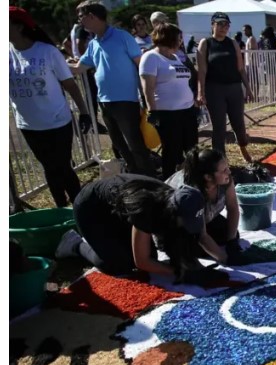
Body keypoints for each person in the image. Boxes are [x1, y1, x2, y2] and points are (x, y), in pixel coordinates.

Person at [56, 174, 233, 283]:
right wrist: (181, 273)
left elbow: (199, 236)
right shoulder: (147, 208)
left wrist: (225, 259)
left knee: (165, 250)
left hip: (122, 209)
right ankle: (75, 244)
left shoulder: (184, 201)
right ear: (172, 214)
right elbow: (142, 262)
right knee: (121, 264)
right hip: (93, 210)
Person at [10, 6, 92, 208]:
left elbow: (70, 85)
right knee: (49, 168)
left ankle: (81, 209)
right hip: (28, 124)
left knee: (63, 168)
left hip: (56, 122)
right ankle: (61, 210)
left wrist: (84, 112)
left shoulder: (47, 52)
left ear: (19, 27)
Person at [70, 1, 155, 176]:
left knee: (135, 142)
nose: (79, 21)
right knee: (118, 143)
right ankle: (135, 174)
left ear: (92, 16)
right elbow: (79, 68)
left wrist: (146, 96)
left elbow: (141, 65)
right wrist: (55, 64)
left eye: (81, 17)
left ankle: (148, 177)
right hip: (104, 101)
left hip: (126, 100)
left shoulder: (123, 37)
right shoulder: (93, 43)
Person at [140, 23, 198, 178]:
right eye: (179, 38)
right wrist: (152, 110)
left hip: (187, 110)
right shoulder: (151, 57)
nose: (181, 42)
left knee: (192, 148)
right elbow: (148, 87)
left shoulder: (175, 57)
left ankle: (191, 178)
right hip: (168, 113)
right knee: (172, 150)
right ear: (169, 38)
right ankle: (169, 180)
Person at [197, 12, 254, 164]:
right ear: (212, 25)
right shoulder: (206, 43)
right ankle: (220, 160)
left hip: (234, 88)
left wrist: (248, 88)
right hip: (214, 89)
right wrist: (200, 92)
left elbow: (241, 68)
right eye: (220, 24)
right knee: (219, 127)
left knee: (238, 123)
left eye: (226, 24)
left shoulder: (233, 43)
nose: (223, 27)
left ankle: (243, 147)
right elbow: (201, 70)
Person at [166, 147, 241, 258]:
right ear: (208, 177)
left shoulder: (226, 180)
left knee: (231, 234)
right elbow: (202, 237)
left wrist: (232, 241)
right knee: (195, 249)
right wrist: (225, 259)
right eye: (224, 170)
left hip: (202, 219)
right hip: (176, 227)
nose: (229, 172)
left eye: (227, 168)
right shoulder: (192, 194)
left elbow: (233, 207)